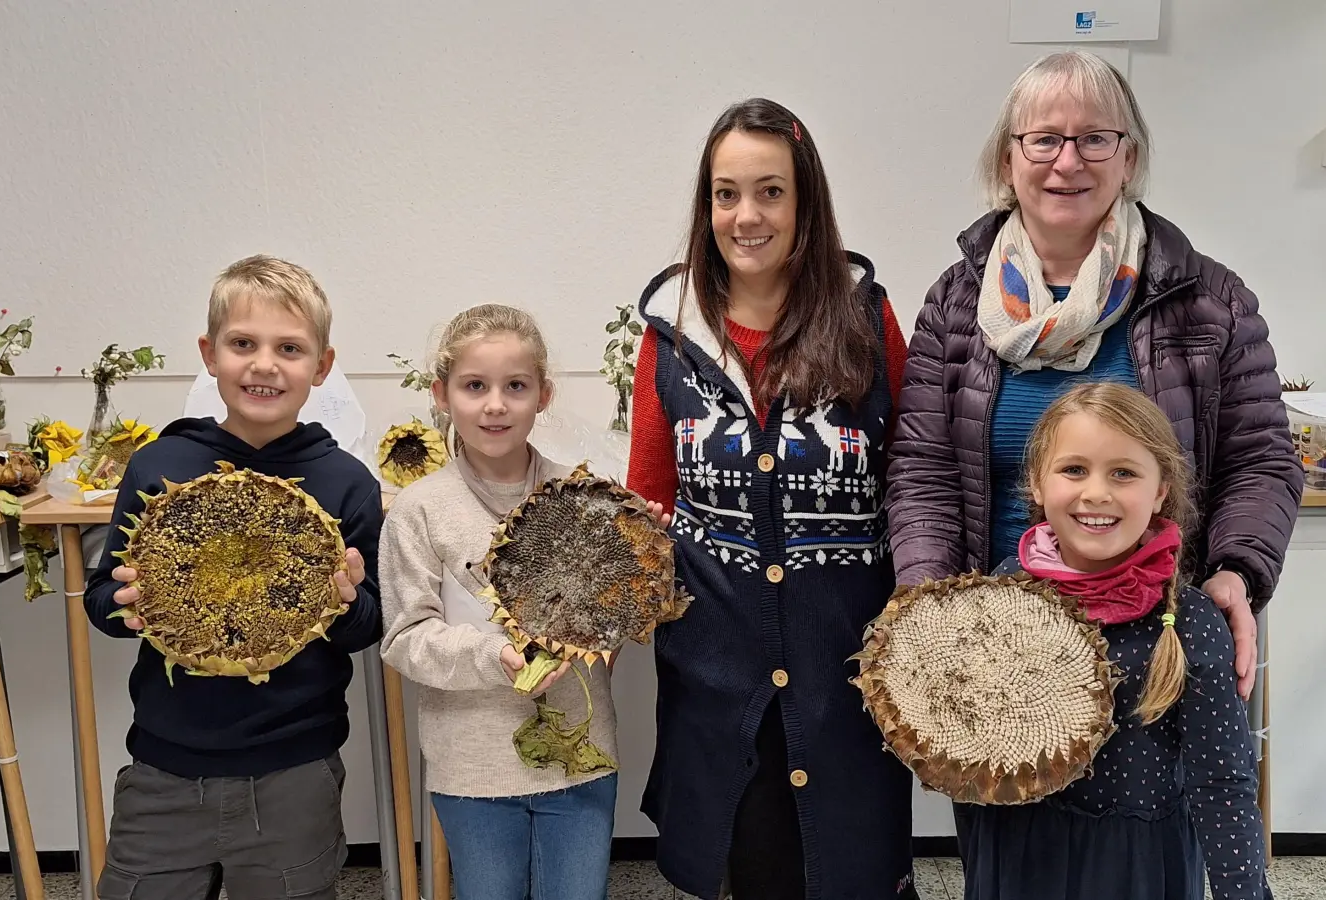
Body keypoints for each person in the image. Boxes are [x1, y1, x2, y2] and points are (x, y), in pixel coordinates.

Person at [886, 50, 1304, 697]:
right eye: (1045, 139)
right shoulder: (958, 304)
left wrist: (1236, 571)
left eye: (1094, 139)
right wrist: (928, 603)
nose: (1069, 160)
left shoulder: (1207, 300)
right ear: (1008, 159)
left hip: (1157, 644)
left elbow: (1260, 459)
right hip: (1001, 649)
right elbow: (924, 470)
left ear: (1129, 158)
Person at [627, 98, 914, 900]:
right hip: (718, 678)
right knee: (748, 869)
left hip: (846, 670)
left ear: (805, 201)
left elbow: (913, 479)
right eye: (726, 194)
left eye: (770, 191)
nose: (745, 216)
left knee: (851, 867)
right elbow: (648, 503)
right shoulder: (671, 335)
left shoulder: (865, 318)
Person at [85, 254, 384, 900]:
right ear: (209, 353)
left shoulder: (346, 484)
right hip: (165, 764)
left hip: (292, 767)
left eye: (290, 348)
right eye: (243, 343)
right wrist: (123, 604)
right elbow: (102, 593)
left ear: (322, 366)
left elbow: (370, 624)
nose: (264, 364)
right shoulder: (161, 466)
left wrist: (347, 603)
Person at [962, 381, 1270, 899]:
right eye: (1074, 469)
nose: (1096, 493)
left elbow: (1222, 784)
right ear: (1037, 483)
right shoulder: (1003, 591)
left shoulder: (1189, 621)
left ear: (1160, 491)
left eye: (1123, 473)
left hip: (1140, 870)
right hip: (1017, 857)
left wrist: (1246, 893)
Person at [380, 304, 618, 900]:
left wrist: (641, 558)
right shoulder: (420, 510)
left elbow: (617, 609)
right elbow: (406, 637)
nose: (495, 404)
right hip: (472, 764)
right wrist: (493, 657)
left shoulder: (584, 496)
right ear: (442, 394)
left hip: (581, 758)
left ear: (543, 394)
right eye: (474, 386)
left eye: (515, 386)